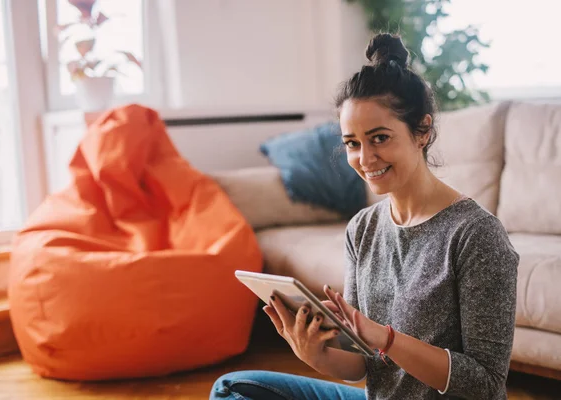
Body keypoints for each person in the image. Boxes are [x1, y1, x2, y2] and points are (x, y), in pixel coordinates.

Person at [210, 33, 519, 400]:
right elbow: (361, 366)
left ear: (423, 131)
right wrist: (314, 353)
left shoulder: (475, 235)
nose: (365, 159)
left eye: (380, 138)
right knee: (232, 390)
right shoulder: (363, 228)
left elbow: (484, 384)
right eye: (352, 143)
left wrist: (385, 337)